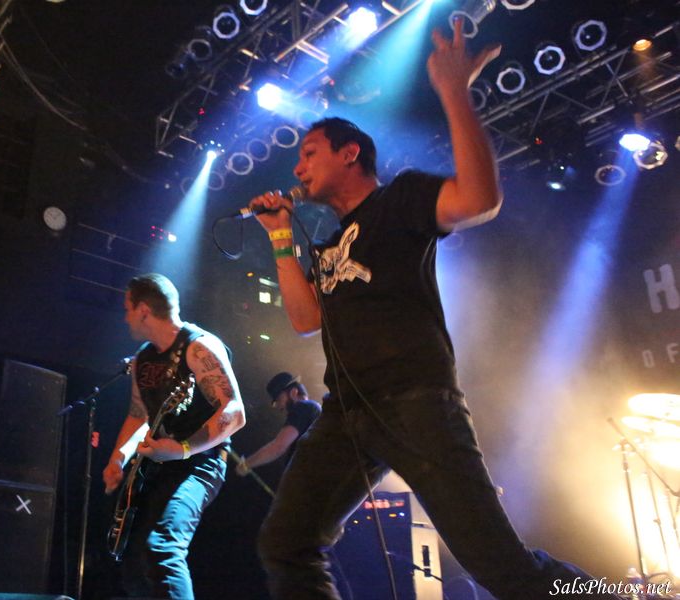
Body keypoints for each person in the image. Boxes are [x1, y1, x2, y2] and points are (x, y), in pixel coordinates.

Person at [246, 18, 620, 600]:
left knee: (502, 568)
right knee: (285, 542)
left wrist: (454, 91)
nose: (297, 169)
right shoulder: (327, 244)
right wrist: (278, 237)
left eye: (310, 153)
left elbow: (480, 198)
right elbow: (304, 318)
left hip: (415, 400)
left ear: (350, 154)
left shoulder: (400, 199)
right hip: (347, 413)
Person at [103, 273, 246, 599]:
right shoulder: (142, 358)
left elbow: (235, 412)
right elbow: (139, 415)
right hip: (157, 464)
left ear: (143, 310)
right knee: (132, 561)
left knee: (163, 545)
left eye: (127, 309)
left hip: (201, 463)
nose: (124, 317)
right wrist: (118, 458)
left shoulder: (199, 347)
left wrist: (182, 448)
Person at [235, 372, 321, 477]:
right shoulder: (313, 410)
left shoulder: (303, 407)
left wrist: (246, 464)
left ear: (293, 392)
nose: (280, 407)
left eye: (279, 399)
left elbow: (278, 446)